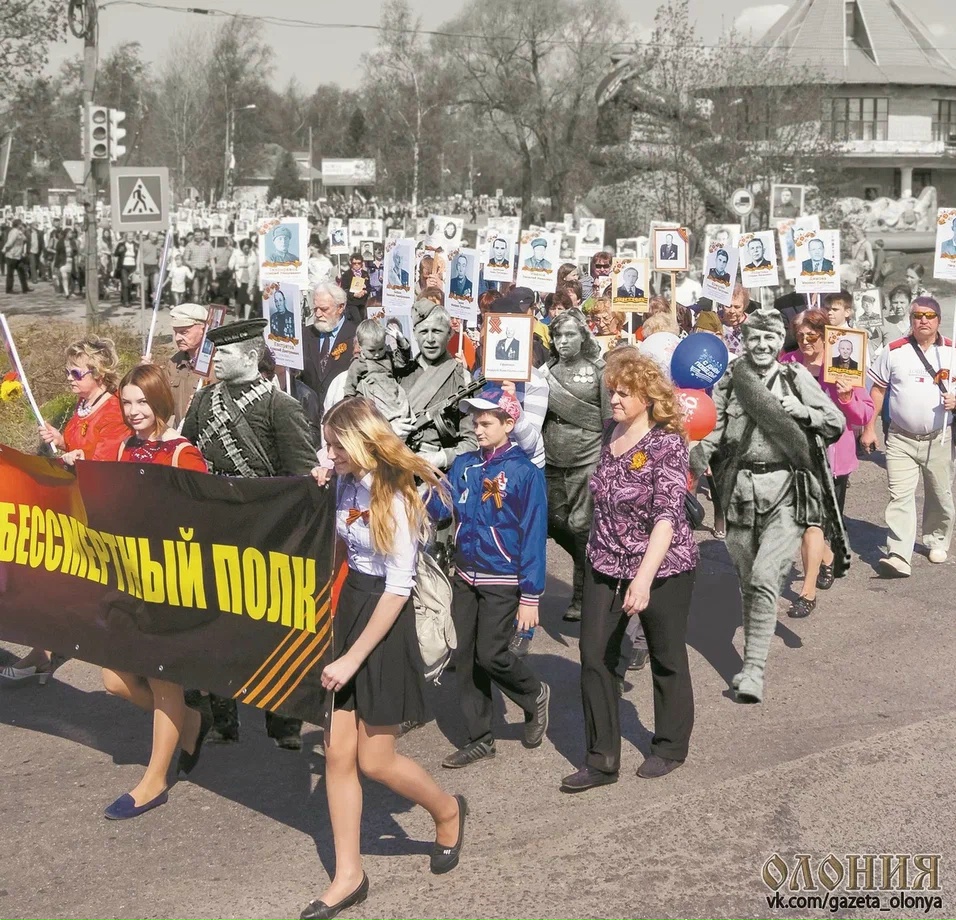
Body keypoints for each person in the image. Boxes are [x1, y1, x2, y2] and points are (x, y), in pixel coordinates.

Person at [302, 398, 466, 919]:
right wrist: (318, 482)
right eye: (327, 445)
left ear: (359, 441)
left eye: (335, 445)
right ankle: (349, 875)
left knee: (376, 760)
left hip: (381, 623)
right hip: (348, 608)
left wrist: (351, 658)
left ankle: (447, 810)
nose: (329, 453)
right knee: (335, 755)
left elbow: (398, 589)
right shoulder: (345, 478)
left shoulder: (394, 494)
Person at [689, 310, 846, 703]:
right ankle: (752, 658)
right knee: (748, 582)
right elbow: (716, 431)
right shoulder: (729, 380)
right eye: (754, 338)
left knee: (763, 576)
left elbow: (835, 423)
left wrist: (801, 412)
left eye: (769, 338)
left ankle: (753, 669)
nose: (761, 346)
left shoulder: (796, 378)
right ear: (744, 340)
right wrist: (689, 458)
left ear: (780, 341)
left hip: (785, 493)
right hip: (739, 491)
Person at [561, 350, 698, 791]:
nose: (614, 399)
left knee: (666, 656)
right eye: (612, 392)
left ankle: (670, 746)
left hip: (661, 566)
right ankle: (601, 760)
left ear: (647, 396)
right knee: (594, 656)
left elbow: (666, 517)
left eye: (624, 393)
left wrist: (643, 579)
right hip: (605, 561)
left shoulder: (667, 444)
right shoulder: (608, 432)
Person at [181, 319, 318, 748]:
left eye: (223, 353)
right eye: (215, 353)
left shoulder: (281, 406)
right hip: (217, 524)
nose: (215, 358)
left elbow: (300, 476)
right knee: (219, 625)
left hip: (267, 531)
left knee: (275, 628)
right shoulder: (203, 401)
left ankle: (284, 723)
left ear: (250, 357)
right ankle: (225, 719)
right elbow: (185, 454)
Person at [99, 364, 212, 820]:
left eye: (141, 401)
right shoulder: (125, 447)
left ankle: (154, 780)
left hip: (171, 583)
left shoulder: (183, 453)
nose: (133, 411)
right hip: (128, 579)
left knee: (165, 679)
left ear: (160, 401)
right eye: (126, 402)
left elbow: (206, 518)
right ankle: (191, 720)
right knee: (113, 679)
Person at [1, 338, 128, 689]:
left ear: (99, 374)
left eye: (76, 372)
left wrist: (78, 458)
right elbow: (78, 446)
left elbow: (107, 458)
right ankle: (41, 652)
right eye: (67, 371)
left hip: (97, 515)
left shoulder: (113, 409)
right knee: (47, 578)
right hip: (71, 508)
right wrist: (61, 439)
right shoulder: (83, 404)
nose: (69, 378)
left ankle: (128, 660)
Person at [437, 386, 550, 768]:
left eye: (486, 422)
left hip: (503, 577)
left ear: (508, 422)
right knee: (466, 657)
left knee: (492, 654)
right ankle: (480, 737)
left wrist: (531, 596)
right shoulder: (464, 465)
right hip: (465, 575)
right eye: (475, 421)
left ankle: (533, 693)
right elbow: (439, 505)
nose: (478, 428)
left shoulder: (525, 473)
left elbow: (534, 534)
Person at [780, 310, 874, 618]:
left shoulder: (844, 366)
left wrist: (846, 398)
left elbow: (863, 415)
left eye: (812, 337)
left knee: (812, 524)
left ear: (826, 336)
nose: (805, 343)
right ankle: (829, 555)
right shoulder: (787, 362)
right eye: (801, 336)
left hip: (832, 459)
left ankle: (806, 593)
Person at [861, 297, 955, 576]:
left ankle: (936, 539)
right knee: (899, 496)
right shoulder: (894, 351)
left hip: (939, 438)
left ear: (938, 320)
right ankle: (899, 553)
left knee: (940, 493)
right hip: (900, 439)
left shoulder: (952, 351)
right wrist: (868, 428)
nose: (923, 320)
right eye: (918, 316)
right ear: (911, 320)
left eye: (929, 315)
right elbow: (877, 390)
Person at [540, 310, 611, 622]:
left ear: (583, 335)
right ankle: (591, 562)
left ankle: (583, 596)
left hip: (587, 457)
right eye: (558, 335)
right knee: (556, 524)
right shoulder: (546, 371)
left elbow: (609, 419)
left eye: (570, 334)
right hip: (552, 458)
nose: (563, 340)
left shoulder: (599, 371)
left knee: (582, 525)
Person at [300, 283, 358, 425]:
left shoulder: (356, 335)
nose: (318, 314)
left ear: (340, 307)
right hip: (310, 419)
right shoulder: (305, 335)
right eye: (316, 309)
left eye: (324, 309)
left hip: (344, 419)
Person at [343, 320, 414, 433]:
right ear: (360, 347)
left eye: (381, 349)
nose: (377, 354)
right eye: (371, 350)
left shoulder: (388, 358)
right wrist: (351, 410)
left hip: (394, 395)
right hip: (375, 398)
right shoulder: (359, 364)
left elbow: (402, 361)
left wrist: (401, 341)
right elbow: (349, 388)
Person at [161, 302, 211, 428]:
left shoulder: (218, 363)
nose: (177, 338)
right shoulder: (174, 362)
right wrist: (148, 375)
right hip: (182, 437)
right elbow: (163, 405)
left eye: (184, 332)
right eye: (175, 332)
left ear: (203, 329)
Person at [229, 238, 259, 319]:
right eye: (244, 248)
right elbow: (230, 265)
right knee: (239, 299)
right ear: (241, 247)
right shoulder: (236, 253)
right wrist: (240, 266)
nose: (246, 250)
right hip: (239, 279)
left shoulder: (253, 253)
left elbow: (256, 264)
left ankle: (246, 318)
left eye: (248, 248)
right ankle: (237, 316)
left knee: (249, 299)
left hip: (250, 279)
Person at [340, 253, 371, 324]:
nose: (357, 265)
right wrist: (354, 294)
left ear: (362, 263)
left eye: (359, 263)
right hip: (352, 303)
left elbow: (369, 287)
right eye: (354, 263)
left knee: (363, 320)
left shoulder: (365, 274)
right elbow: (344, 290)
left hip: (363, 302)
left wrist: (365, 291)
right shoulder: (346, 275)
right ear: (351, 263)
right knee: (357, 321)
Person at [183, 229, 213, 301]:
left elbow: (211, 258)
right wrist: (192, 265)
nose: (198, 237)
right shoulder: (189, 245)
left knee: (203, 291)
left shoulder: (207, 244)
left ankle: (201, 305)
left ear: (202, 235)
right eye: (196, 235)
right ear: (194, 236)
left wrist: (211, 266)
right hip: (195, 271)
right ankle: (195, 306)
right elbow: (185, 259)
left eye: (199, 235)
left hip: (205, 270)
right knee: (195, 291)